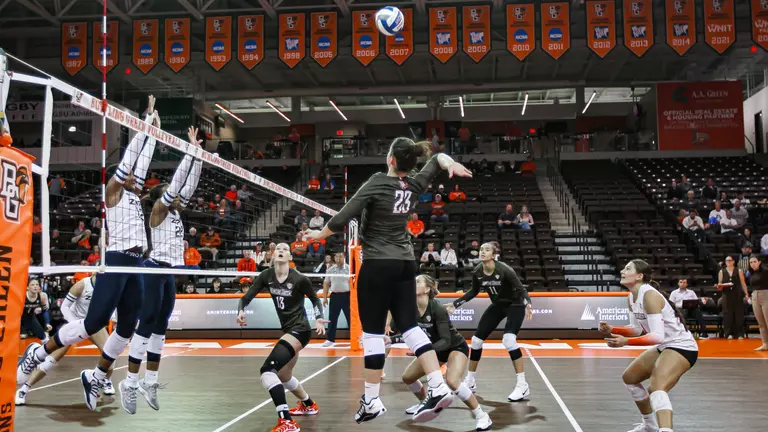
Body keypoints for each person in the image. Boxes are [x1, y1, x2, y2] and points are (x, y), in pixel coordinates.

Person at [304, 137, 471, 423]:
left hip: (378, 264)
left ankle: (371, 400)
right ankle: (437, 385)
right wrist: (451, 163)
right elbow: (437, 160)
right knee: (410, 327)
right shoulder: (415, 184)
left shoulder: (378, 182)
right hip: (406, 263)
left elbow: (342, 217)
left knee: (371, 334)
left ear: (391, 159)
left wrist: (318, 235)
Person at [17, 95, 160, 412]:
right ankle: (39, 353)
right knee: (93, 322)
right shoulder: (113, 191)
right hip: (118, 259)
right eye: (130, 174)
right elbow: (131, 159)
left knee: (127, 327)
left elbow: (143, 161)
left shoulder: (135, 194)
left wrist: (154, 131)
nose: (137, 177)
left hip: (136, 263)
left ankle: (95, 376)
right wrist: (145, 125)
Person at [125, 126, 203, 414]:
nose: (178, 195)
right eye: (172, 193)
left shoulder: (176, 211)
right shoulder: (159, 211)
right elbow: (178, 182)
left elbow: (188, 184)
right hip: (153, 269)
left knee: (161, 325)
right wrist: (188, 152)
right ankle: (130, 383)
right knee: (146, 323)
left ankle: (150, 381)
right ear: (162, 196)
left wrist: (199, 154)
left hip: (168, 272)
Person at [236, 243, 328, 432]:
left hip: (300, 330)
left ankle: (286, 421)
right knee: (284, 376)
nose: (281, 250)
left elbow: (315, 299)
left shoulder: (299, 279)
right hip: (288, 330)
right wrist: (241, 311)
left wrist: (319, 318)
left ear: (290, 257)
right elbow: (245, 298)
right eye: (278, 248)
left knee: (267, 372)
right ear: (272, 255)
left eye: (285, 249)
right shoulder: (266, 276)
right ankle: (308, 404)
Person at [600, 259, 698, 432]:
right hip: (665, 346)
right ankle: (650, 425)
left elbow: (657, 336)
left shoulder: (650, 295)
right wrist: (613, 329)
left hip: (681, 346)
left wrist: (626, 342)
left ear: (639, 276)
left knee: (657, 387)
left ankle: (665, 429)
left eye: (627, 269)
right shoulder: (631, 297)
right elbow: (637, 329)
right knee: (630, 378)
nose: (622, 271)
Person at [400, 275, 492, 431]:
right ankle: (425, 403)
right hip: (434, 349)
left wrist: (424, 350)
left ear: (427, 289)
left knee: (452, 381)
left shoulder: (437, 309)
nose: (413, 283)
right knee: (408, 377)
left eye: (417, 282)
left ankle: (481, 415)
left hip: (455, 347)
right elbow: (399, 330)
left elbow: (446, 341)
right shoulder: (411, 308)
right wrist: (387, 339)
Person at [445, 242, 533, 401]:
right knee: (476, 341)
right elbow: (474, 291)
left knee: (509, 340)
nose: (482, 252)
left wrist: (528, 304)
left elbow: (521, 288)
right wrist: (456, 304)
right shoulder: (478, 271)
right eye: (481, 249)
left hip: (515, 304)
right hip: (498, 305)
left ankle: (522, 385)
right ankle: (470, 381)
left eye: (487, 250)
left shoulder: (505, 269)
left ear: (493, 255)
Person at [15, 275, 116, 405]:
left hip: (94, 324)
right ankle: (23, 389)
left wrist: (113, 317)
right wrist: (76, 325)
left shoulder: (111, 286)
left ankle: (105, 380)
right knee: (50, 360)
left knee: (110, 353)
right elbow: (64, 307)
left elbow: (112, 307)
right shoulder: (82, 285)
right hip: (76, 322)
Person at [717, 255, 749, 340]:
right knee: (727, 314)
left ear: (733, 261)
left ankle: (739, 333)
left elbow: (743, 283)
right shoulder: (721, 271)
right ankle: (728, 333)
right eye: (727, 260)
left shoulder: (738, 270)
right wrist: (719, 286)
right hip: (726, 295)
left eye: (730, 260)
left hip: (737, 294)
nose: (728, 262)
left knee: (738, 314)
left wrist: (746, 294)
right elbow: (720, 284)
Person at [322, 253, 351, 347]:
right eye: (336, 256)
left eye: (340, 256)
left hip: (347, 296)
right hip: (334, 296)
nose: (338, 258)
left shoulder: (350, 268)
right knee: (332, 318)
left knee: (351, 318)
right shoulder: (330, 269)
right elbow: (326, 283)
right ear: (334, 258)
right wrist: (325, 297)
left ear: (344, 257)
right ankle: (330, 339)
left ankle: (355, 339)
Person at [20, 279, 51, 343]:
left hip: (30, 317)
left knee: (43, 337)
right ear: (27, 287)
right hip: (19, 318)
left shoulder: (42, 297)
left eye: (37, 284)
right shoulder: (22, 296)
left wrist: (47, 324)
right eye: (32, 285)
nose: (35, 286)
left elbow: (45, 311)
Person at [747, 256, 768, 351]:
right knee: (761, 322)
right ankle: (765, 343)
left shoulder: (765, 271)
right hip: (755, 295)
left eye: (754, 261)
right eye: (751, 262)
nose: (753, 264)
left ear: (759, 262)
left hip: (765, 294)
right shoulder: (751, 273)